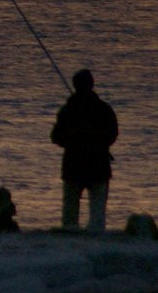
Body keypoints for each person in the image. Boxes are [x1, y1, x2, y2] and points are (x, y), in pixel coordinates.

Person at [50, 68, 118, 232]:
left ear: (75, 86)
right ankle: (96, 241)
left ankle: (70, 242)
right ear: (92, 85)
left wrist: (73, 143)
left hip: (73, 167)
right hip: (99, 166)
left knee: (69, 218)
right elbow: (112, 134)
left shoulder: (67, 110)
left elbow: (56, 136)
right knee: (97, 218)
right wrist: (99, 144)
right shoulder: (104, 109)